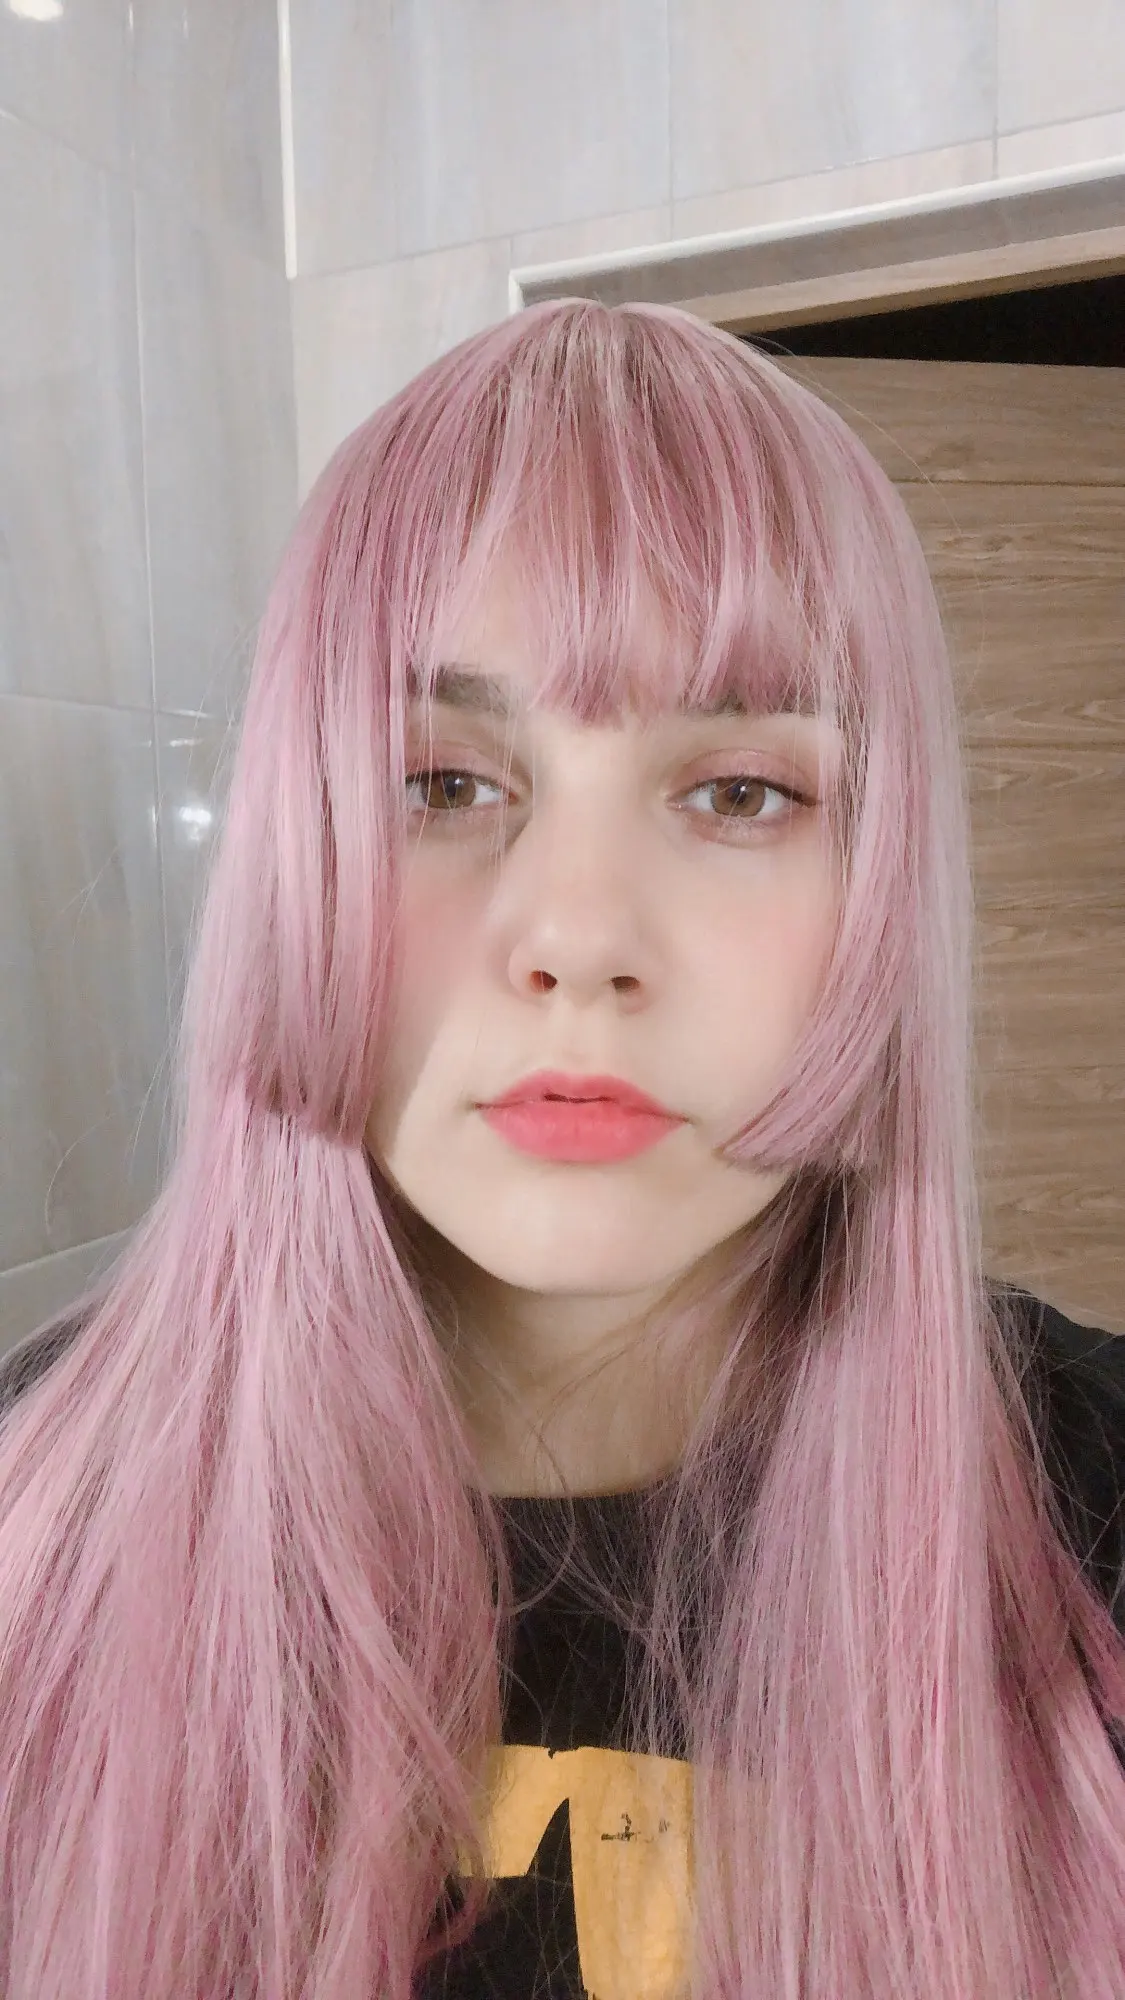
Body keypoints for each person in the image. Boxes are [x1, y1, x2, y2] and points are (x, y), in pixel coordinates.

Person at [0, 299, 1122, 1999]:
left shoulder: (1089, 1515)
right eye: (444, 785)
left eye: (740, 792)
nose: (580, 938)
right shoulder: (36, 1528)